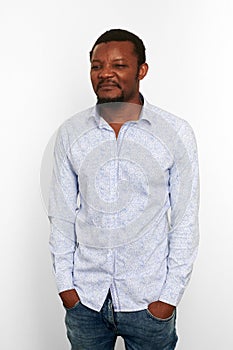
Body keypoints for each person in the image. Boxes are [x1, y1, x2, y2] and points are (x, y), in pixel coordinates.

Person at [48, 29, 200, 350]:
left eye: (119, 65)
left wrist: (168, 298)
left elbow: (185, 220)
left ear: (141, 70)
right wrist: (67, 289)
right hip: (86, 302)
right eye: (96, 65)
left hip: (149, 303)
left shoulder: (175, 133)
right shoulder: (71, 133)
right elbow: (61, 215)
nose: (105, 73)